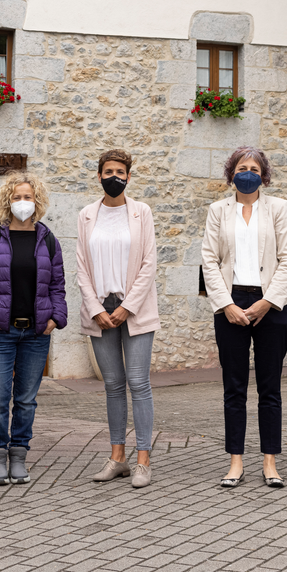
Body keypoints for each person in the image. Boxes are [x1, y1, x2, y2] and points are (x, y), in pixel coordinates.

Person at [201, 147, 287, 488]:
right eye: (242, 167)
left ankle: (270, 462)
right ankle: (236, 461)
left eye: (254, 167)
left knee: (270, 388)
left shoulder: (278, 208)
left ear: (263, 174)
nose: (248, 172)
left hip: (271, 305)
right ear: (232, 172)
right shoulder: (217, 210)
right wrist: (226, 304)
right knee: (234, 387)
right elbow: (209, 261)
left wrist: (268, 302)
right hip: (231, 302)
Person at [0, 171, 67, 486]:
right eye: (16, 197)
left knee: (26, 400)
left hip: (36, 334)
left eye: (28, 197)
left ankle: (19, 456)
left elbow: (58, 285)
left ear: (36, 201)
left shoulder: (48, 239)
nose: (22, 203)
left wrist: (55, 319)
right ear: (7, 201)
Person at [76, 149, 159, 489]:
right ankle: (117, 458)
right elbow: (81, 266)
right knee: (112, 386)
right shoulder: (86, 216)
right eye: (108, 171)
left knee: (138, 383)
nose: (114, 176)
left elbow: (149, 264)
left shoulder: (142, 213)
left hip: (133, 309)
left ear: (128, 176)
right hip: (100, 311)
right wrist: (96, 308)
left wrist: (129, 306)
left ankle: (143, 460)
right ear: (99, 176)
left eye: (120, 171)